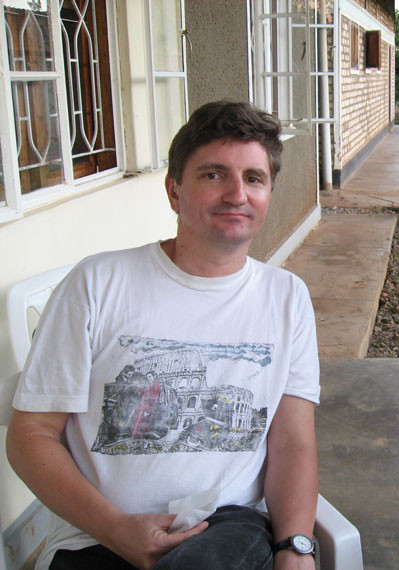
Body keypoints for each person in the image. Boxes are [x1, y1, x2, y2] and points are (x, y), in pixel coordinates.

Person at [7, 102, 319, 570]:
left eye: (254, 178)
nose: (237, 194)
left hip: (226, 532)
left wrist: (295, 547)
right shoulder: (98, 283)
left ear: (269, 192)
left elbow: (293, 441)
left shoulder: (287, 297)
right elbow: (30, 435)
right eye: (214, 175)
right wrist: (113, 528)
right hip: (96, 535)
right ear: (174, 191)